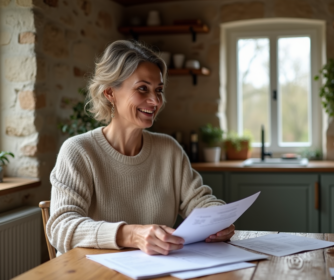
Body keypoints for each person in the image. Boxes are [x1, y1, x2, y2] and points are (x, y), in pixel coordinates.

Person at [47, 40, 235, 256]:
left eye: (159, 90)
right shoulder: (78, 151)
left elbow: (198, 200)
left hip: (155, 270)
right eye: (142, 89)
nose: (155, 101)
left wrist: (218, 219)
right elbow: (61, 227)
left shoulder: (169, 150)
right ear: (110, 93)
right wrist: (132, 234)